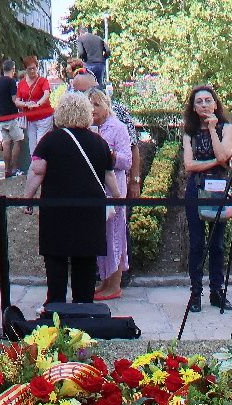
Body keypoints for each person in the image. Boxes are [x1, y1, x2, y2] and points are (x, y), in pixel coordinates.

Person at [24, 91, 116, 307]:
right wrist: (119, 199)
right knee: (85, 263)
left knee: (56, 261)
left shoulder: (49, 141)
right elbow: (109, 175)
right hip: (90, 212)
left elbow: (37, 171)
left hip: (56, 212)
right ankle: (83, 311)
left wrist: (27, 199)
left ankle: (55, 308)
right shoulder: (99, 142)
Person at [181, 84, 232, 313]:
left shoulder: (227, 128)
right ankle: (195, 293)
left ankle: (216, 290)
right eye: (199, 101)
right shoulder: (189, 132)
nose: (204, 104)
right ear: (193, 108)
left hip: (219, 189)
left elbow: (225, 153)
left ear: (215, 104)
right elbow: (190, 165)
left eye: (207, 100)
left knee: (218, 244)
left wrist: (213, 129)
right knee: (196, 243)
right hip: (196, 188)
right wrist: (218, 162)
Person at [89, 89, 132, 300]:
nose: (93, 109)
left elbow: (127, 161)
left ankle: (115, 285)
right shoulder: (91, 129)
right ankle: (105, 280)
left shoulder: (118, 128)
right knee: (103, 237)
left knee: (115, 235)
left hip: (114, 189)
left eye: (97, 104)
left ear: (106, 105)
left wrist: (109, 155)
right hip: (97, 189)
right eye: (90, 105)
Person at [15, 56, 54, 156]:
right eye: (29, 69)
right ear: (25, 69)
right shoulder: (21, 84)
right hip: (31, 119)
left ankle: (43, 167)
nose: (32, 71)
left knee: (40, 143)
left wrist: (38, 104)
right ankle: (35, 168)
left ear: (37, 67)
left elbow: (46, 94)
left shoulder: (42, 81)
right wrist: (26, 104)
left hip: (44, 117)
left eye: (34, 68)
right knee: (32, 147)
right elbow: (17, 101)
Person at [0, 59, 23, 180]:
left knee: (6, 143)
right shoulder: (11, 82)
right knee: (17, 140)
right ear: (13, 69)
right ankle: (15, 168)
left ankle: (6, 170)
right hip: (12, 116)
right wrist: (25, 104)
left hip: (1, 116)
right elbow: (15, 100)